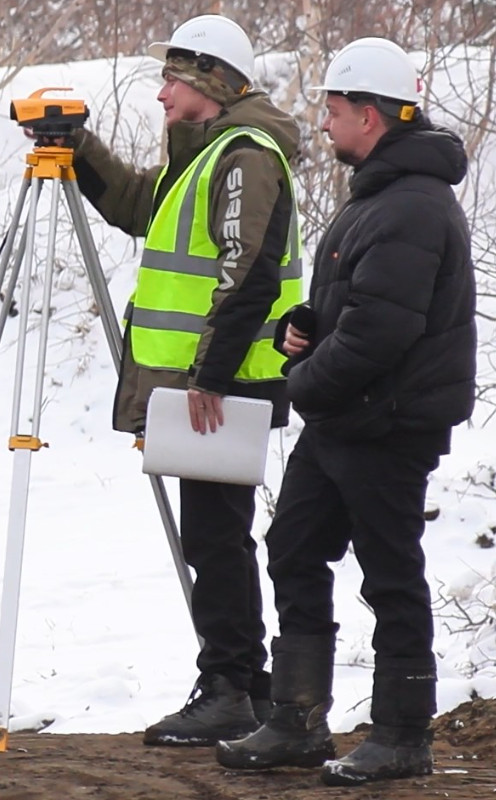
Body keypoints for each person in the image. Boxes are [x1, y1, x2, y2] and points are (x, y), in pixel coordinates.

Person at [216, 37, 476, 786]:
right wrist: (305, 321)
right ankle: (298, 721)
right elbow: (359, 309)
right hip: (347, 417)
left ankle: (402, 735)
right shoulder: (380, 195)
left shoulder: (413, 206)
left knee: (390, 572)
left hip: (387, 423)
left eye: (332, 110)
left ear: (369, 114)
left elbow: (381, 332)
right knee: (294, 547)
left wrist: (301, 380)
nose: (323, 124)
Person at [57, 14, 304, 746]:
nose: (160, 92)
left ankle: (230, 685)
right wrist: (77, 150)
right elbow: (140, 208)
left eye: (171, 78)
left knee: (216, 537)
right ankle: (246, 688)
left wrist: (210, 374)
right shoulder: (204, 154)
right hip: (209, 379)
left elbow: (248, 267)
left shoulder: (245, 154)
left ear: (210, 80)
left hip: (222, 383)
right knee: (217, 534)